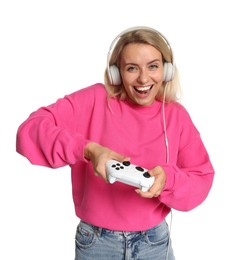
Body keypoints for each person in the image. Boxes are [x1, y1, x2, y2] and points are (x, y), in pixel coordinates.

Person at [16, 26, 215, 260]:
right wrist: (88, 149)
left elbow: (202, 178)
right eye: (132, 68)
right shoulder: (94, 100)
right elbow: (29, 130)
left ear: (167, 70)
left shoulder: (174, 115)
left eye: (153, 66)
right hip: (97, 242)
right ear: (116, 73)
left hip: (154, 242)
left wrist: (167, 181)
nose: (143, 78)